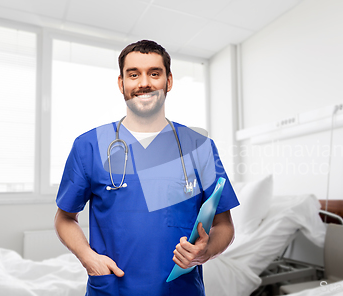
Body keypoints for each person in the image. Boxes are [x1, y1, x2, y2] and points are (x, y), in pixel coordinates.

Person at [54, 40, 239, 296]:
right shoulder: (89, 146)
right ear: (121, 83)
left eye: (154, 73)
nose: (144, 83)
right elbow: (64, 218)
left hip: (181, 290)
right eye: (133, 74)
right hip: (112, 289)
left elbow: (224, 226)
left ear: (169, 81)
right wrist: (88, 257)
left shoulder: (200, 147)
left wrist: (205, 252)